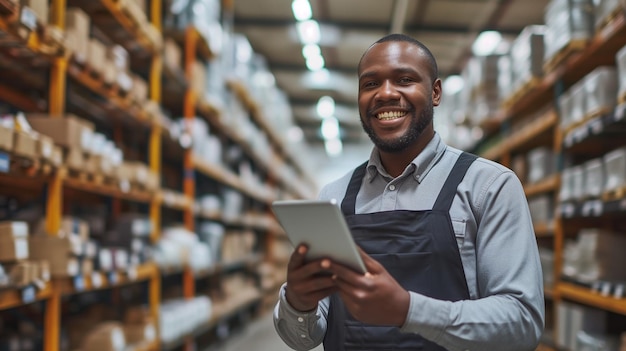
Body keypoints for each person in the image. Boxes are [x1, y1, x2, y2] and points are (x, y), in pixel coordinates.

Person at [273, 33, 545, 351]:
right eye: (370, 84)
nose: (385, 93)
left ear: (435, 92)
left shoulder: (488, 186)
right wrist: (298, 303)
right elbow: (303, 339)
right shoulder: (333, 196)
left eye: (404, 79)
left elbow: (523, 322)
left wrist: (408, 311)